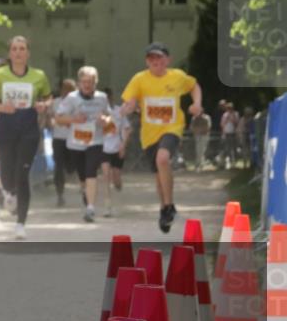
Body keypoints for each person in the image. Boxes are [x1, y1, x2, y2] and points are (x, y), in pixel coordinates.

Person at [120, 42, 203, 233]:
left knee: (163, 158)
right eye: (151, 58)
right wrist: (129, 107)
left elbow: (194, 85)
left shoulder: (177, 77)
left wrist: (196, 104)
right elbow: (130, 101)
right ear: (147, 61)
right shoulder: (139, 79)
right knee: (159, 173)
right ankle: (166, 208)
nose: (156, 61)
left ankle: (168, 206)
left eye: (159, 57)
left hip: (172, 127)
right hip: (149, 135)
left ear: (168, 60)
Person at [0, 36, 52, 240]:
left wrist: (44, 106)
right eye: (14, 49)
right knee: (7, 174)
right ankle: (9, 192)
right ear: (10, 53)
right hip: (5, 127)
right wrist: (1, 107)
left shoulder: (39, 76)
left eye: (22, 49)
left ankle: (21, 223)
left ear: (28, 53)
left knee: (23, 174)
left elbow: (48, 97)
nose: (18, 52)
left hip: (29, 128)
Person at [54, 67, 110, 223]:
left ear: (95, 83)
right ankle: (87, 193)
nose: (87, 85)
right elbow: (58, 118)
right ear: (79, 83)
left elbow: (109, 116)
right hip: (76, 143)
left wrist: (104, 120)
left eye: (91, 82)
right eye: (84, 82)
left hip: (95, 141)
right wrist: (73, 120)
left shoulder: (102, 98)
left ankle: (90, 208)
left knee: (91, 171)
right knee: (83, 176)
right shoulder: (71, 98)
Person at [101, 88, 131, 212]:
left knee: (116, 178)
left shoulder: (119, 111)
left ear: (112, 97)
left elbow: (127, 128)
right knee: (106, 175)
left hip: (117, 147)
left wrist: (123, 145)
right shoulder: (98, 113)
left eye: (109, 97)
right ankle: (107, 204)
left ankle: (118, 184)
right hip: (103, 148)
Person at [50, 78, 77, 207]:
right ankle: (59, 193)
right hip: (59, 139)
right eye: (65, 88)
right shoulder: (55, 103)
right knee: (58, 167)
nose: (68, 92)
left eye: (71, 89)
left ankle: (73, 172)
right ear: (61, 90)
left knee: (71, 167)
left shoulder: (78, 103)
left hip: (73, 140)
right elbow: (51, 117)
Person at [220, 101, 240, 168]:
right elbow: (222, 124)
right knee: (226, 148)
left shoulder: (236, 114)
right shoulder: (225, 115)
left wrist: (232, 118)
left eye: (231, 108)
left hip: (233, 133)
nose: (229, 109)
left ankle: (233, 162)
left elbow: (237, 123)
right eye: (228, 108)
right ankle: (226, 162)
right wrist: (227, 119)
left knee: (233, 148)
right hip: (226, 133)